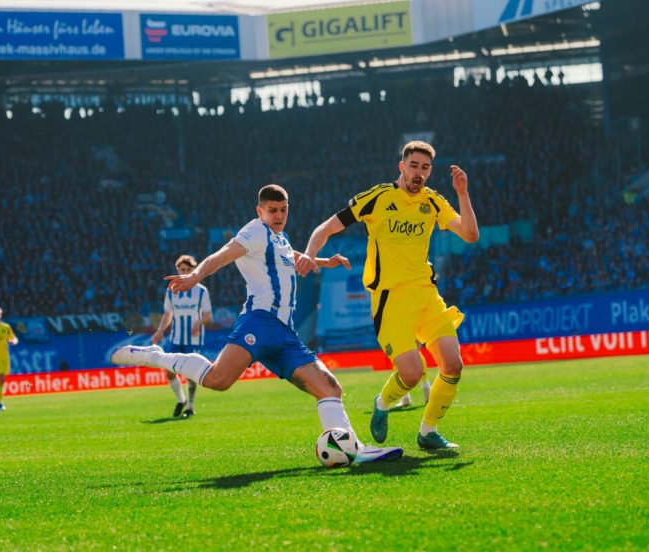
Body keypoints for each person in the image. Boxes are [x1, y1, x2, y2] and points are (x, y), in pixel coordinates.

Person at [112, 184, 402, 463]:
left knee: (330, 388)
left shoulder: (280, 238)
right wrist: (195, 277)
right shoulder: (254, 231)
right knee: (218, 380)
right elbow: (221, 256)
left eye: (284, 210)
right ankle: (155, 357)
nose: (279, 216)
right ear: (259, 210)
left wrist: (326, 261)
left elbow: (292, 258)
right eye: (273, 210)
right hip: (259, 323)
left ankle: (354, 449)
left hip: (285, 334)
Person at [301, 141, 480, 450]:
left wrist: (462, 192)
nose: (419, 173)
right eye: (414, 166)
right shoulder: (378, 198)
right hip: (391, 298)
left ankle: (428, 433)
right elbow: (326, 228)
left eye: (425, 168)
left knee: (453, 365)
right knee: (410, 374)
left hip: (426, 294)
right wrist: (309, 254)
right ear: (401, 166)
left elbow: (470, 235)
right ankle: (383, 403)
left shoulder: (434, 202)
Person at [150, 255, 212, 418]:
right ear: (178, 270)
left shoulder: (201, 291)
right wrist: (160, 330)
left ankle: (190, 407)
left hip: (193, 339)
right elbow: (168, 313)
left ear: (193, 270)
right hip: (175, 337)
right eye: (182, 270)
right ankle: (181, 400)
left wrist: (198, 324)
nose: (185, 272)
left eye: (188, 270)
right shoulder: (171, 291)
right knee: (169, 371)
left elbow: (207, 316)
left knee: (191, 375)